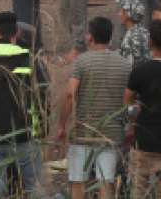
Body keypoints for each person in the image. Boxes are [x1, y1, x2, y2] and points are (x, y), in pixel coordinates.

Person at [0, 11, 47, 198]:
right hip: (25, 134)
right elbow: (43, 94)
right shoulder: (30, 59)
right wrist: (43, 127)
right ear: (16, 34)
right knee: (33, 188)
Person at [58, 17, 130, 199]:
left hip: (83, 132)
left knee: (78, 181)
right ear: (111, 37)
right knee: (106, 182)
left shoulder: (82, 62)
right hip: (111, 134)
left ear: (90, 37)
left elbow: (69, 95)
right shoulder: (124, 64)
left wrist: (61, 125)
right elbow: (129, 100)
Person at [124, 19, 161, 198]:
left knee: (138, 191)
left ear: (150, 41)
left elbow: (126, 102)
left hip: (143, 140)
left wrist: (132, 121)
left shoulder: (141, 70)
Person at [116, 0, 150, 64]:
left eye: (122, 11)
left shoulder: (131, 36)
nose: (119, 14)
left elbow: (127, 64)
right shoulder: (145, 32)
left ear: (128, 15)